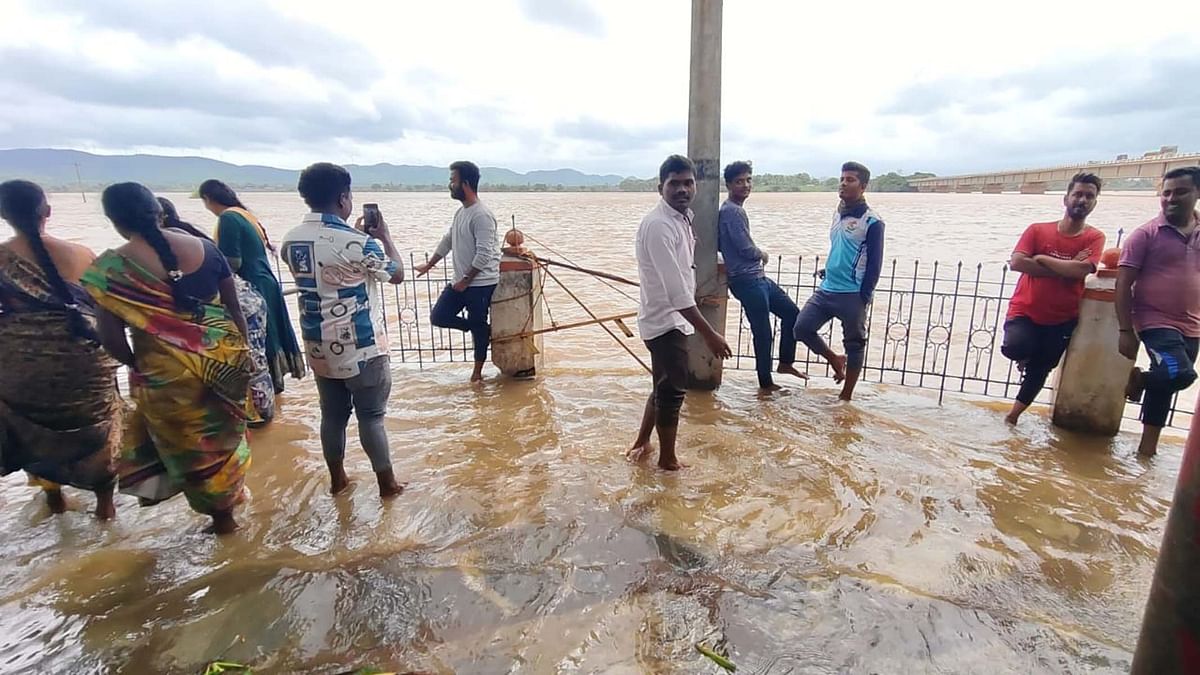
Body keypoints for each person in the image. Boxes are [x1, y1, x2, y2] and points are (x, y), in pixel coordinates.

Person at [83, 182, 253, 535]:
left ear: (114, 221)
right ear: (159, 213)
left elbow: (110, 337)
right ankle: (230, 505)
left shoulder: (111, 268)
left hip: (166, 378)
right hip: (224, 363)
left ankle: (222, 520)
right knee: (224, 437)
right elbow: (234, 309)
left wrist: (141, 364)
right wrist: (241, 357)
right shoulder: (206, 248)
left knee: (193, 447)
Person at [281, 163, 407, 499]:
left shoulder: (290, 240)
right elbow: (396, 274)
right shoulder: (360, 243)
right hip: (363, 347)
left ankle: (337, 481)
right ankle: (387, 486)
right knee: (372, 417)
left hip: (318, 346)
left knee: (332, 416)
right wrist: (383, 237)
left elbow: (326, 263)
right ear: (343, 198)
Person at [0, 180, 122, 520]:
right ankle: (105, 506)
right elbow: (108, 308)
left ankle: (54, 499)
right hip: (86, 361)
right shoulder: (83, 254)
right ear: (47, 212)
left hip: (21, 369)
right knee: (99, 427)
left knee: (30, 426)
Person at [626, 155, 732, 471]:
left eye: (688, 183)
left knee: (663, 384)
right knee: (673, 391)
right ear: (661, 188)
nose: (683, 189)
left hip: (672, 316)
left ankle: (642, 443)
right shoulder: (659, 225)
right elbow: (675, 293)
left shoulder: (680, 218)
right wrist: (710, 333)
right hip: (665, 320)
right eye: (675, 184)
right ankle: (667, 462)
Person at [159, 197, 275, 425]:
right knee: (251, 362)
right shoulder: (188, 238)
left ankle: (259, 416)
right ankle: (260, 415)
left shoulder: (171, 247)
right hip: (245, 305)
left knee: (250, 363)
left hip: (239, 308)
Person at [1001, 173, 1106, 424]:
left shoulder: (1095, 238)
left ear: (1095, 203)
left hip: (1062, 317)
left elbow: (1082, 271)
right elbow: (1016, 263)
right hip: (1025, 309)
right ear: (1066, 198)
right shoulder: (1038, 230)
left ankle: (1013, 417)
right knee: (1015, 346)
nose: (1082, 200)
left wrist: (1042, 259)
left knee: (1040, 370)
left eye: (1089, 196)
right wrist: (1067, 267)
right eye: (1078, 194)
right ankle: (1025, 359)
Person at [1118, 166, 1200, 456]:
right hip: (1154, 321)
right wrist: (1126, 330)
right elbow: (1123, 283)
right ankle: (1140, 380)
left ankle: (1146, 450)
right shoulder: (1146, 234)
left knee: (1166, 384)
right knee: (1181, 373)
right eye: (1166, 193)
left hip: (1192, 323)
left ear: (1197, 193)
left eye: (1180, 192)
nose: (1171, 198)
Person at [199, 179, 305, 393]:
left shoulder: (228, 218)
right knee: (270, 336)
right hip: (264, 281)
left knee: (261, 339)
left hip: (251, 285)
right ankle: (274, 398)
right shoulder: (243, 214)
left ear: (207, 200)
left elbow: (233, 261)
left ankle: (264, 395)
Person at [793, 161, 885, 401]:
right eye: (842, 179)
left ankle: (846, 396)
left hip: (852, 294)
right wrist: (829, 269)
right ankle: (835, 359)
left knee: (854, 344)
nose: (844, 183)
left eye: (850, 180)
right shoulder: (837, 213)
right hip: (827, 289)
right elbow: (841, 248)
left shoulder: (872, 222)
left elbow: (875, 264)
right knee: (801, 328)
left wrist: (864, 296)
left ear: (863, 186)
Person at [717, 160, 806, 392]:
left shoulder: (735, 210)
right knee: (762, 333)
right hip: (747, 281)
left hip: (758, 279)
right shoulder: (731, 212)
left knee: (793, 314)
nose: (745, 185)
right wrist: (762, 254)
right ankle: (765, 384)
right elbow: (745, 248)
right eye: (739, 181)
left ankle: (785, 363)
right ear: (728, 185)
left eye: (748, 180)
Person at [413, 161, 500, 382]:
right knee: (439, 316)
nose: (450, 185)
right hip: (462, 282)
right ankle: (481, 330)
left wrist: (466, 279)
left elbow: (485, 253)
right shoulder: (461, 212)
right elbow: (448, 240)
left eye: (453, 180)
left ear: (466, 183)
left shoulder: (481, 215)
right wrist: (429, 264)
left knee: (477, 324)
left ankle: (477, 374)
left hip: (480, 283)